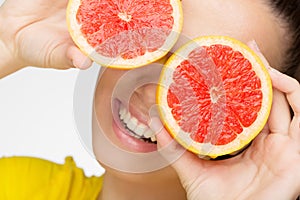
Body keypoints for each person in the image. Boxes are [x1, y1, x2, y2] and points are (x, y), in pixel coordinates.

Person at [0, 0, 300, 200]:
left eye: (208, 83)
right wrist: (5, 44)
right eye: (156, 42)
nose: (151, 91)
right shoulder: (21, 187)